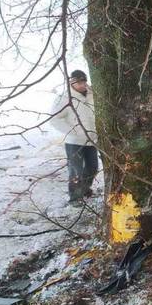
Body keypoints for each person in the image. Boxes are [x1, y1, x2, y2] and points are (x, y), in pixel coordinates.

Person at [51, 70, 99, 206]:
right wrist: (73, 131)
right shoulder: (64, 98)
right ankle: (74, 198)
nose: (83, 85)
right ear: (72, 82)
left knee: (92, 168)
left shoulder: (93, 94)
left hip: (91, 139)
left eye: (84, 81)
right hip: (74, 141)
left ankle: (84, 190)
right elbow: (55, 119)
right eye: (79, 82)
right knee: (76, 171)